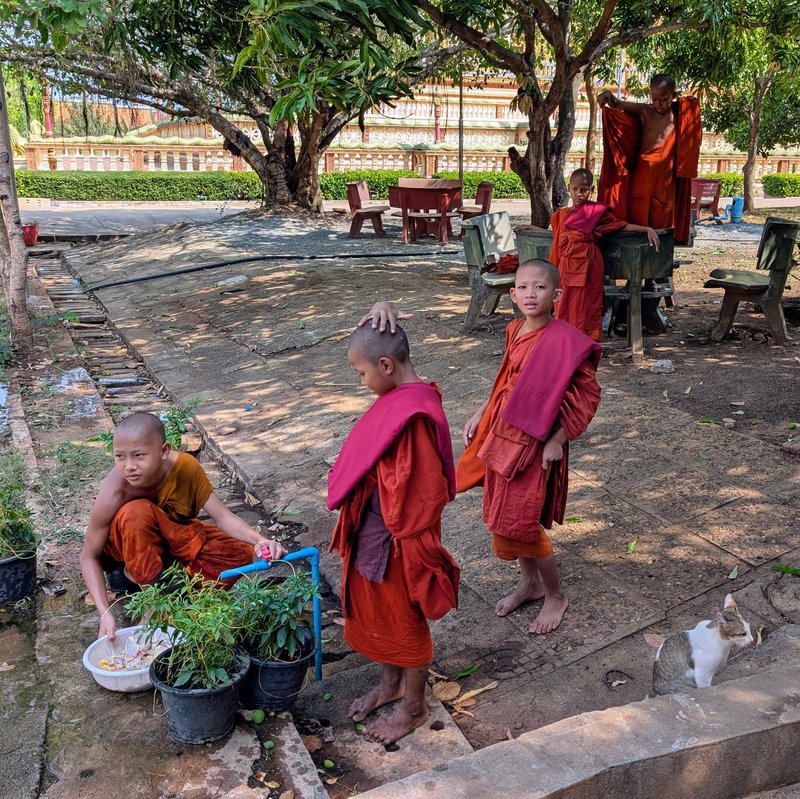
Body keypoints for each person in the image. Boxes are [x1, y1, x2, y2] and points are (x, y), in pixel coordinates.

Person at [327, 323, 460, 744]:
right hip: (375, 526)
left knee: (404, 616)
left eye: (362, 374)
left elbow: (420, 493)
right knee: (377, 612)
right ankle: (390, 684)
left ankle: (413, 707)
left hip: (400, 539)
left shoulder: (415, 414)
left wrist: (402, 540)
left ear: (386, 365)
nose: (362, 382)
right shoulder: (402, 396)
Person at [457, 261, 601, 634]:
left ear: (556, 296)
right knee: (506, 512)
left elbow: (588, 395)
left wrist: (557, 440)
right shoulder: (514, 329)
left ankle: (555, 594)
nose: (530, 295)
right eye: (523, 287)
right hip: (502, 433)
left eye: (539, 288)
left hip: (537, 443)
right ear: (513, 294)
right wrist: (481, 411)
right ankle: (531, 584)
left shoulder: (565, 340)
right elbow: (505, 377)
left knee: (521, 519)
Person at [80, 412, 287, 641]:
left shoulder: (186, 468)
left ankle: (178, 590)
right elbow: (89, 555)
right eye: (120, 456)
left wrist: (261, 541)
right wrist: (105, 613)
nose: (129, 466)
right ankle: (151, 602)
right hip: (128, 555)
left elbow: (222, 517)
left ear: (164, 451)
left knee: (238, 552)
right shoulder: (115, 491)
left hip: (171, 541)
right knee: (136, 512)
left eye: (139, 455)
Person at [550, 168, 660, 340]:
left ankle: (586, 340)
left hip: (589, 263)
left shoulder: (596, 213)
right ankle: (565, 338)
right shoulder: (561, 215)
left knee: (586, 302)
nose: (580, 194)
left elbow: (620, 225)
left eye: (584, 190)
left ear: (591, 190)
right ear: (569, 188)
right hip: (566, 265)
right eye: (575, 189)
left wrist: (646, 229)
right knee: (564, 302)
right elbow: (557, 238)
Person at [597, 73, 702, 246]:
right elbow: (618, 104)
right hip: (643, 169)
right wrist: (608, 95)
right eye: (655, 99)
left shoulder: (681, 116)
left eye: (664, 99)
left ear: (673, 96)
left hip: (666, 173)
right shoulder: (646, 111)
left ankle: (661, 250)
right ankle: (636, 246)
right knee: (638, 204)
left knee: (662, 209)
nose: (659, 104)